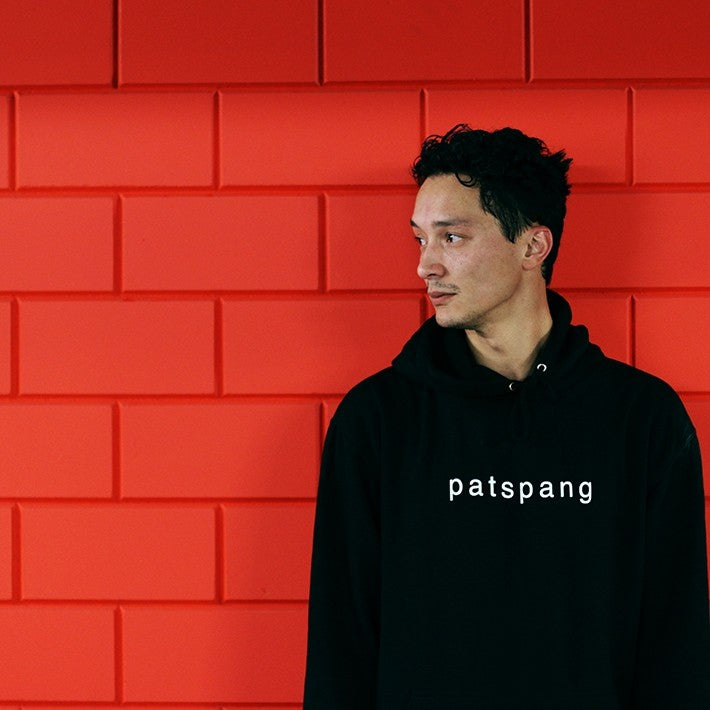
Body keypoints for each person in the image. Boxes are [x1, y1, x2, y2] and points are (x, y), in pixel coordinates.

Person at [303, 125, 710, 709]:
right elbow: (341, 644)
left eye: (452, 237)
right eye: (420, 239)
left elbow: (677, 640)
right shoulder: (377, 421)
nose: (425, 266)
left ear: (532, 247)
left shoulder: (642, 419)